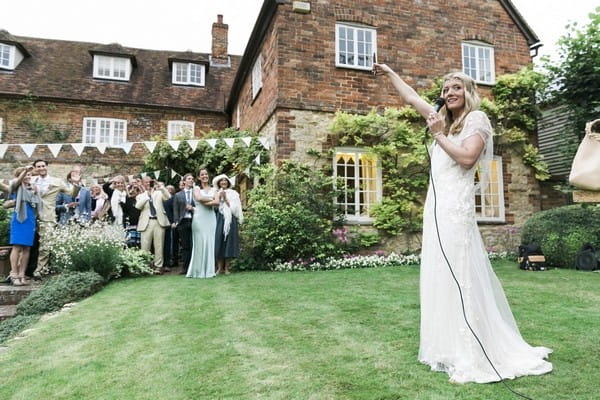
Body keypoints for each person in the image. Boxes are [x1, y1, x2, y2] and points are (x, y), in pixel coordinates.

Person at [374, 63, 552, 383]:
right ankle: (447, 346)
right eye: (445, 89)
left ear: (469, 92)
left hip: (456, 212)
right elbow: (413, 98)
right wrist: (389, 73)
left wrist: (438, 135)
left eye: (456, 88)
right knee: (439, 274)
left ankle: (470, 349)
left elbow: (467, 158)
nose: (449, 93)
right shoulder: (442, 121)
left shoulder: (477, 120)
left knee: (460, 275)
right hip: (436, 212)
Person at [32, 159, 81, 278]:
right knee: (28, 245)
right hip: (30, 215)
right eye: (38, 166)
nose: (41, 168)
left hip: (48, 215)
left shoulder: (57, 181)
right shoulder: (32, 180)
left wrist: (76, 183)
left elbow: (72, 194)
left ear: (47, 167)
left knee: (45, 244)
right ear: (35, 168)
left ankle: (41, 270)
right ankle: (25, 270)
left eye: (43, 165)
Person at [7, 166, 41, 286]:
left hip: (30, 218)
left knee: (27, 248)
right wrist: (25, 170)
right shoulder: (16, 186)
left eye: (29, 175)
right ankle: (14, 274)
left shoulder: (33, 188)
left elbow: (37, 204)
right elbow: (16, 182)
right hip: (19, 218)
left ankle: (22, 274)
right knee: (17, 247)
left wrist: (36, 193)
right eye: (26, 175)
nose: (28, 176)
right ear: (20, 176)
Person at [187, 168, 218, 278]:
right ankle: (198, 271)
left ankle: (209, 270)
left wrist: (207, 201)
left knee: (210, 243)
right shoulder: (196, 188)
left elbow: (217, 202)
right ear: (199, 177)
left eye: (206, 174)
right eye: (202, 174)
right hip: (199, 218)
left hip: (210, 218)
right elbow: (199, 198)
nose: (205, 176)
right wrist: (211, 199)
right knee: (199, 243)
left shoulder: (214, 189)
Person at [135, 176, 171, 274]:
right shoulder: (141, 195)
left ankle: (158, 266)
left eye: (149, 182)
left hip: (158, 221)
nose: (148, 184)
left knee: (159, 245)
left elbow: (168, 197)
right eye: (145, 182)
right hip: (146, 222)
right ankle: (145, 266)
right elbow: (138, 206)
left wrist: (160, 186)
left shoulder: (159, 193)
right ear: (142, 184)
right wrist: (147, 195)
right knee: (145, 245)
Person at [212, 174, 243, 275]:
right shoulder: (215, 192)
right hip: (219, 218)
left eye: (225, 180)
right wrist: (219, 198)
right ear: (218, 183)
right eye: (221, 181)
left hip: (230, 219)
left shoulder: (234, 193)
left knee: (229, 242)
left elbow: (235, 209)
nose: (223, 182)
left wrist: (225, 198)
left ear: (228, 182)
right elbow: (213, 207)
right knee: (219, 241)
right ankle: (219, 268)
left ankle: (227, 268)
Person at [173, 174, 195, 275]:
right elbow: (175, 210)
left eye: (192, 179)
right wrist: (176, 221)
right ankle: (186, 268)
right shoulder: (178, 195)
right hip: (183, 222)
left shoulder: (196, 193)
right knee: (185, 246)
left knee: (194, 244)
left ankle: (195, 266)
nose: (191, 180)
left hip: (195, 220)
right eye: (189, 179)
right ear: (184, 181)